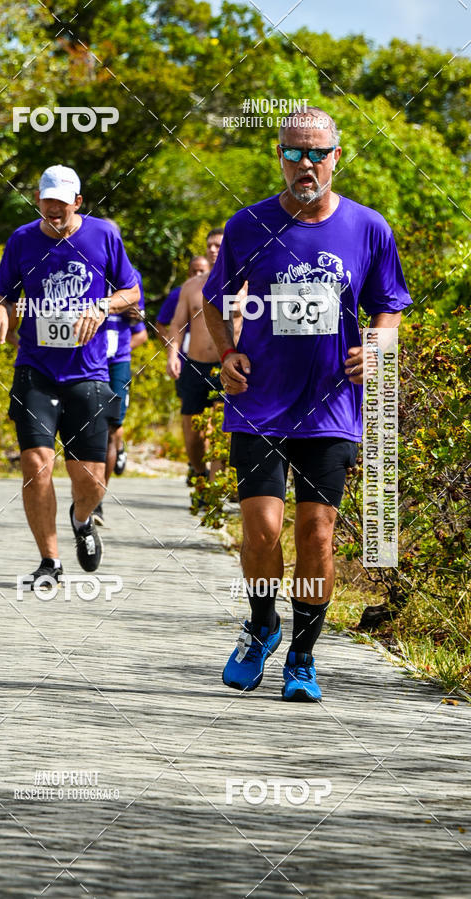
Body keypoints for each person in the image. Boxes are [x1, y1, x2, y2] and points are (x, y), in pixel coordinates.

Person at [202, 108, 411, 700]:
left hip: (332, 405)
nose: (306, 164)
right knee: (262, 529)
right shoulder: (248, 224)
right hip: (260, 402)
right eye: (294, 152)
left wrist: (376, 347)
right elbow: (214, 299)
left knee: (318, 534)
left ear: (336, 157)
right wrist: (226, 354)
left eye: (317, 153)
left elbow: (388, 304)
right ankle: (262, 624)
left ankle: (302, 656)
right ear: (279, 156)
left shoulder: (369, 228)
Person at [0, 165, 139, 583]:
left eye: (62, 203)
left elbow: (132, 291)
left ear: (78, 203)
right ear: (38, 199)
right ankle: (49, 561)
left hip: (88, 373)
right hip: (36, 369)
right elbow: (5, 292)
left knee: (91, 477)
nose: (54, 209)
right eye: (48, 200)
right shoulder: (22, 240)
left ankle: (82, 519)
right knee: (36, 464)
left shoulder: (104, 235)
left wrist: (102, 306)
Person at [166, 231, 223, 481]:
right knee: (193, 432)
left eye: (218, 245)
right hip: (195, 364)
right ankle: (200, 475)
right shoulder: (191, 287)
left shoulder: (245, 284)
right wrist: (172, 355)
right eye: (209, 245)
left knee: (223, 428)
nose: (212, 249)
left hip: (227, 365)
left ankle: (216, 486)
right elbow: (177, 324)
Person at [95, 261, 147, 526]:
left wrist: (132, 310)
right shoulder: (83, 267)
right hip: (86, 359)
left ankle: (97, 501)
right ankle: (88, 493)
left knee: (112, 430)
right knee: (87, 429)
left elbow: (140, 324)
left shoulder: (131, 275)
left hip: (116, 362)